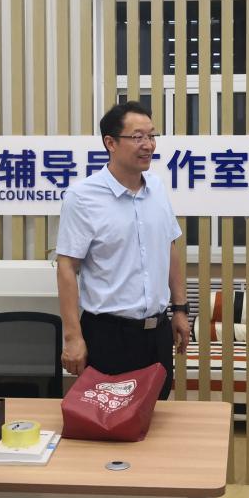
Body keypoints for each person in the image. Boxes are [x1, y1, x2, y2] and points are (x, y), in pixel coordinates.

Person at [55, 101, 190, 399]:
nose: (148, 145)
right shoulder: (83, 197)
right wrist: (73, 337)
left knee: (156, 413)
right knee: (109, 417)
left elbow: (169, 247)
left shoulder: (157, 189)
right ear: (111, 143)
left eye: (151, 136)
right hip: (109, 335)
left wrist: (180, 310)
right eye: (138, 137)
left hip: (157, 334)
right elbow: (67, 267)